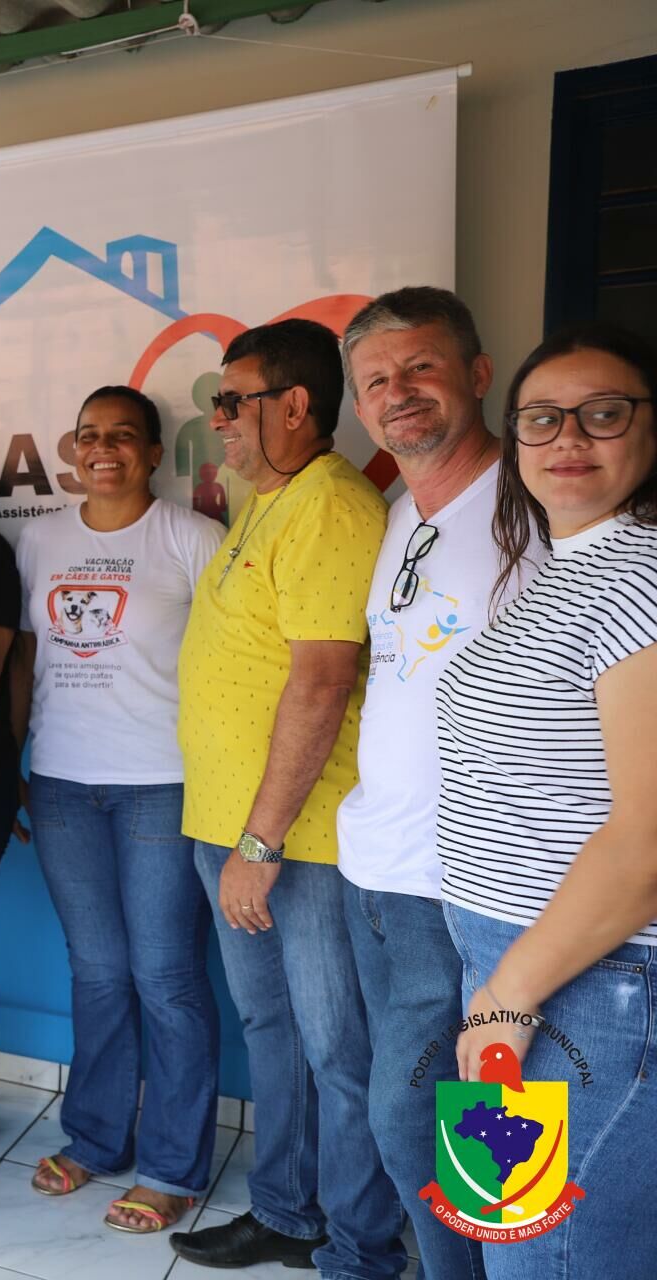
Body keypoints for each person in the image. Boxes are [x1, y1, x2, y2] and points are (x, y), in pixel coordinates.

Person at [165, 320, 402, 1276]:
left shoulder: (333, 506)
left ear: (294, 406)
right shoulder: (269, 498)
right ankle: (287, 1212)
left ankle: (357, 1245)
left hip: (294, 845)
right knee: (276, 1031)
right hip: (233, 832)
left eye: (231, 401)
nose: (216, 421)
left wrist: (259, 848)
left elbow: (319, 683)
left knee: (339, 1050)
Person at [437, 325, 657, 1280]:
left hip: (586, 986)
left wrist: (506, 999)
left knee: (549, 1263)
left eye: (604, 413)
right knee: (517, 1240)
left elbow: (648, 840)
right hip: (519, 963)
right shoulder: (568, 566)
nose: (570, 436)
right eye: (542, 417)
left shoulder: (641, 577)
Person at [14, 389, 223, 1233]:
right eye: (90, 436)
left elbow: (238, 660)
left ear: (152, 452)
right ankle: (97, 1138)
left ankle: (173, 1165)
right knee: (97, 972)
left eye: (124, 437)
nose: (105, 450)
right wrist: (17, 766)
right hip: (62, 781)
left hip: (161, 784)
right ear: (72, 449)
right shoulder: (40, 538)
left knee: (167, 977)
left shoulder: (190, 537)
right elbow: (29, 657)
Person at [337, 287, 513, 1280]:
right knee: (424, 1114)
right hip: (384, 866)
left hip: (481, 886)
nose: (399, 394)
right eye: (377, 381)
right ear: (360, 407)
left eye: (422, 368)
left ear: (479, 375)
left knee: (461, 1124)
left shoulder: (536, 511)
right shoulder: (402, 512)